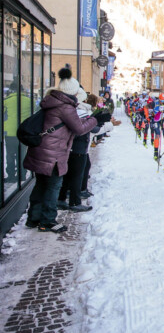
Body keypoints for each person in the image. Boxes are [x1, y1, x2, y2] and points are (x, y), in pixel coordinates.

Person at [23, 68, 105, 233]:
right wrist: (96, 119)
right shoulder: (65, 107)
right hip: (53, 153)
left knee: (41, 185)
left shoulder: (52, 101)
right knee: (53, 186)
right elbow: (79, 129)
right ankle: (48, 221)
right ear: (72, 92)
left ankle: (34, 218)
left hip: (42, 150)